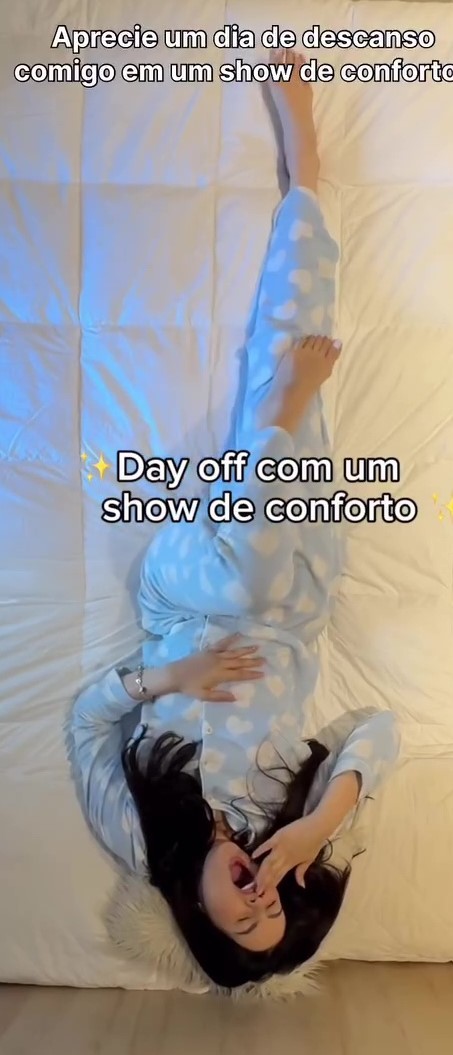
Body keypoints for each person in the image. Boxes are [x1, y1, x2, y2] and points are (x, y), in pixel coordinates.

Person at [71, 50, 400, 990]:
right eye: (276, 908)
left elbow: (88, 722)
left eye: (241, 919)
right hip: (294, 591)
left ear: (199, 916)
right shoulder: (299, 825)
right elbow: (379, 727)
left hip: (186, 599)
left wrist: (174, 674)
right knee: (291, 362)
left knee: (283, 411)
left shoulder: (143, 835)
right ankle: (309, 186)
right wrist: (318, 822)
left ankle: (279, 409)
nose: (259, 896)